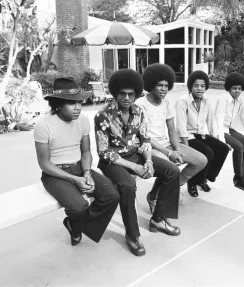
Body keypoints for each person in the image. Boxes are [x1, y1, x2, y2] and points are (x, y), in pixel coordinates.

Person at [94, 69, 181, 257]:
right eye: (122, 94)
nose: (127, 98)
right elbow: (103, 151)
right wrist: (135, 167)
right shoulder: (103, 116)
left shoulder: (138, 112)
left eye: (131, 94)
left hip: (136, 155)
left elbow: (145, 139)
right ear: (115, 93)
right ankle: (132, 234)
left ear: (136, 94)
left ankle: (158, 218)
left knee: (172, 170)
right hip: (113, 161)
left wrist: (148, 161)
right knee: (128, 185)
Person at [34, 77, 119, 246]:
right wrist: (74, 179)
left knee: (112, 195)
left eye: (80, 102)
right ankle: (76, 221)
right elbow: (44, 164)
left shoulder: (83, 120)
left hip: (80, 167)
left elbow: (86, 151)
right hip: (55, 174)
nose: (78, 108)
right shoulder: (43, 124)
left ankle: (75, 224)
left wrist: (87, 173)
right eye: (72, 103)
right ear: (58, 103)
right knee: (78, 206)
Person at [135, 63, 207, 204]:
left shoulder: (166, 102)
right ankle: (154, 197)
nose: (163, 89)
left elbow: (172, 129)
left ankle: (171, 188)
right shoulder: (140, 104)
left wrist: (178, 150)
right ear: (150, 85)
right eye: (159, 85)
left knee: (201, 161)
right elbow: (144, 136)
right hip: (149, 147)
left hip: (166, 143)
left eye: (166, 86)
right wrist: (169, 153)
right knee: (170, 167)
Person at [175, 70, 230, 197]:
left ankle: (204, 177)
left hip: (200, 133)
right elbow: (181, 126)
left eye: (202, 86)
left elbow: (211, 121)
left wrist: (216, 138)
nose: (199, 89)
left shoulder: (206, 100)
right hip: (187, 136)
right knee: (207, 152)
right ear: (190, 87)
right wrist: (186, 146)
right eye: (196, 85)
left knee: (222, 148)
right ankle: (193, 183)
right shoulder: (182, 101)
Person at [214, 72, 244, 190]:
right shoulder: (223, 99)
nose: (237, 91)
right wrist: (223, 141)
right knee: (239, 147)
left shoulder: (240, 99)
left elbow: (242, 117)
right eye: (234, 88)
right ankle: (238, 178)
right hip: (218, 128)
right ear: (229, 88)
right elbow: (218, 119)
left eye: (239, 88)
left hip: (229, 128)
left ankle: (242, 174)